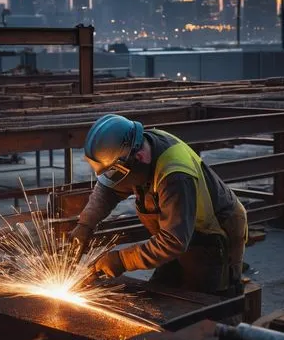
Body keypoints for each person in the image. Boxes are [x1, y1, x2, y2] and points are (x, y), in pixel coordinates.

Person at [70, 114, 248, 295]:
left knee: (206, 305)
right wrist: (85, 224)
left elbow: (173, 242)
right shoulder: (138, 149)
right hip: (179, 230)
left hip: (213, 235)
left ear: (139, 158)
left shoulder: (175, 177)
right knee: (159, 293)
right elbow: (109, 189)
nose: (115, 181)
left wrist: (121, 260)